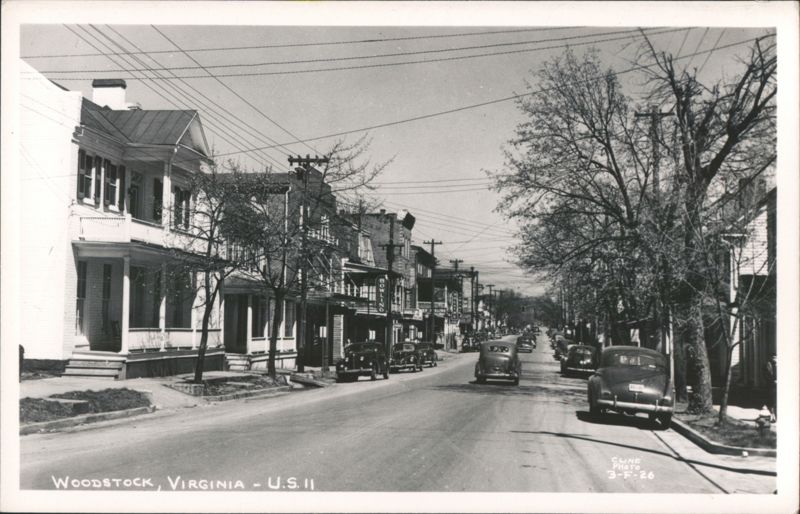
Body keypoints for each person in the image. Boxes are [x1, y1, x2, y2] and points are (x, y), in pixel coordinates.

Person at [765, 354, 777, 422]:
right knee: (772, 402)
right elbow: (767, 376)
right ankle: (773, 416)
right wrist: (773, 381)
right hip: (771, 386)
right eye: (773, 357)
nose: (774, 359)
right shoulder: (768, 365)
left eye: (775, 357)